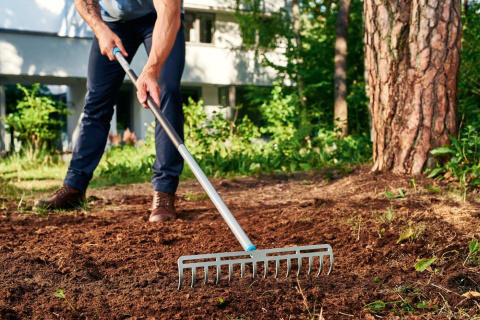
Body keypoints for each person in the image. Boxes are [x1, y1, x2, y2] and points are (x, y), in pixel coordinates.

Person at [34, 0, 185, 222]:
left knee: (165, 91)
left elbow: (169, 11)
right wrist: (100, 28)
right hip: (113, 21)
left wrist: (151, 69)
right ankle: (74, 188)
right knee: (97, 99)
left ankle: (164, 192)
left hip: (159, 18)